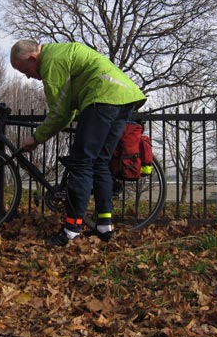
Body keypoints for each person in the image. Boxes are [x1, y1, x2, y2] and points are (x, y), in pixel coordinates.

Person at [10, 39, 146, 246]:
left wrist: (36, 138)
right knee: (100, 162)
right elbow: (67, 108)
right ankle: (104, 226)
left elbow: (59, 113)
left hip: (102, 96)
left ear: (33, 58)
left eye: (25, 70)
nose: (28, 76)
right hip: (125, 97)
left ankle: (71, 230)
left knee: (81, 163)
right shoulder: (62, 52)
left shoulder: (51, 61)